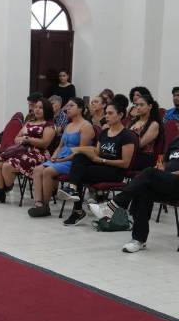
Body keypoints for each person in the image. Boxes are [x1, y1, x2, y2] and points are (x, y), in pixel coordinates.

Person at [88, 107, 179, 253]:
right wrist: (162, 169)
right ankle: (138, 239)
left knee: (149, 173)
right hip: (168, 182)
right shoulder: (177, 140)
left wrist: (172, 174)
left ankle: (113, 205)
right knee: (144, 189)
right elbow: (166, 162)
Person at [56, 97, 135, 226]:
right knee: (79, 158)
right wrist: (84, 151)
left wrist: (102, 160)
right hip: (100, 165)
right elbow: (97, 152)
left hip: (115, 171)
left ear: (120, 115)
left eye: (110, 113)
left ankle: (77, 209)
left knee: (79, 173)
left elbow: (125, 163)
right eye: (106, 113)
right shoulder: (104, 132)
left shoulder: (127, 136)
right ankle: (73, 191)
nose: (107, 116)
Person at [28, 98, 95, 217]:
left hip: (74, 161)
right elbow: (60, 146)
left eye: (71, 106)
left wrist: (61, 160)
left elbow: (81, 152)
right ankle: (38, 203)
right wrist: (53, 157)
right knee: (38, 169)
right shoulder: (69, 125)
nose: (67, 108)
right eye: (67, 106)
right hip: (61, 158)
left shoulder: (86, 126)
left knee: (47, 171)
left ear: (80, 109)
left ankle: (45, 206)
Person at [0, 102, 55, 203]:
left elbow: (45, 143)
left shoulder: (49, 125)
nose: (37, 109)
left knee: (7, 166)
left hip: (37, 153)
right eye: (36, 107)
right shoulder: (29, 122)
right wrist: (22, 140)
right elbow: (16, 139)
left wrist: (28, 139)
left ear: (47, 110)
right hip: (20, 150)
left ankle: (3, 189)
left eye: (41, 107)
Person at [127, 94, 162, 170]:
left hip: (144, 157)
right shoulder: (132, 122)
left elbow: (140, 144)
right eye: (136, 105)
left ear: (150, 106)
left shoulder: (154, 124)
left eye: (141, 105)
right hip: (130, 154)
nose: (138, 107)